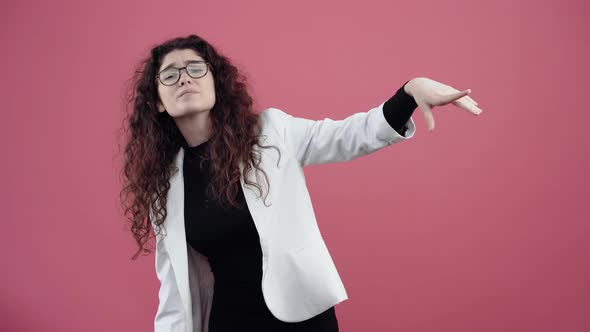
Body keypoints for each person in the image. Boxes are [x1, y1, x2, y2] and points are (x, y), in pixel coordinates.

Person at [119, 34, 482, 332]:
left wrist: (408, 94)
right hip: (229, 322)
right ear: (159, 104)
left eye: (196, 68)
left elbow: (349, 135)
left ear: (216, 83)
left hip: (302, 317)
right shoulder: (164, 184)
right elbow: (173, 287)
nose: (184, 77)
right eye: (169, 74)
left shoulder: (271, 132)